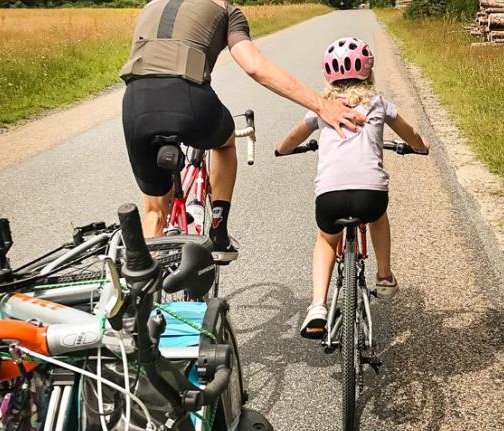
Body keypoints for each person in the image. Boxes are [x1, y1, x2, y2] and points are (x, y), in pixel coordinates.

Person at [119, 0, 365, 262]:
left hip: (135, 104)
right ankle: (218, 234)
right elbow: (254, 66)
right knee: (224, 143)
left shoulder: (151, 6)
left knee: (154, 212)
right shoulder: (226, 10)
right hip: (189, 102)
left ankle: (140, 290)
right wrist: (321, 105)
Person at [276, 37, 429, 338]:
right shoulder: (379, 103)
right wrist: (420, 146)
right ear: (368, 73)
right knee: (377, 217)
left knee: (325, 240)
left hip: (330, 197)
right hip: (370, 196)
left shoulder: (321, 109)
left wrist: (282, 150)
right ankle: (384, 276)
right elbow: (410, 134)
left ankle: (318, 306)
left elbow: (290, 140)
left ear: (327, 75)